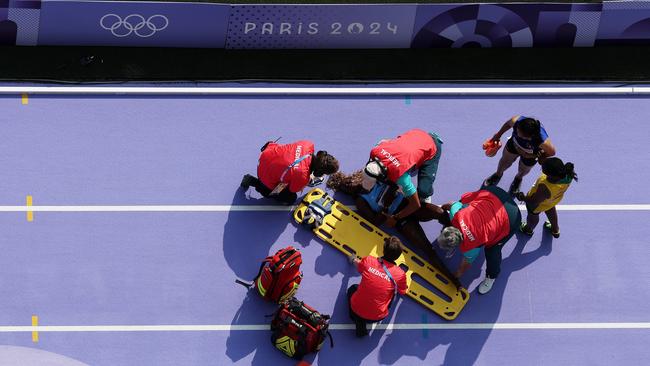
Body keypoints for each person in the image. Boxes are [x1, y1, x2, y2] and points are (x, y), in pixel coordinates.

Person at [327, 171, 460, 287]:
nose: (359, 185)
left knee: (439, 212)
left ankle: (453, 232)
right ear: (351, 192)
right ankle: (452, 279)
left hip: (410, 205)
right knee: (427, 249)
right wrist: (386, 206)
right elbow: (374, 221)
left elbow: (393, 180)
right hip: (401, 220)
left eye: (356, 182)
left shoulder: (368, 174)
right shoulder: (360, 201)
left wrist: (392, 189)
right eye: (353, 188)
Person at [435, 185, 521, 294]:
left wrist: (457, 275)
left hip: (511, 217)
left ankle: (491, 277)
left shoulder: (471, 248)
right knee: (463, 202)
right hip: (494, 192)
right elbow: (452, 204)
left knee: (492, 250)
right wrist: (442, 208)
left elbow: (465, 264)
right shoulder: (455, 214)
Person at [361, 128, 444, 227]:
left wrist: (396, 218)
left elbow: (415, 205)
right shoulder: (375, 150)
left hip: (431, 145)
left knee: (423, 191)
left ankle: (433, 143)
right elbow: (385, 142)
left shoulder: (401, 177)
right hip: (415, 134)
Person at [241, 140, 339, 204]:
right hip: (263, 173)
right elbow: (292, 189)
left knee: (288, 170)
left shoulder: (307, 144)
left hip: (266, 153)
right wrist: (306, 180)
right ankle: (254, 182)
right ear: (319, 172)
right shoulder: (302, 177)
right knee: (290, 198)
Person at [347, 236, 408, 337]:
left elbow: (358, 264)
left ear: (383, 250)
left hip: (354, 310)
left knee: (353, 288)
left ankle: (358, 319)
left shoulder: (369, 261)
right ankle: (362, 319)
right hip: (376, 317)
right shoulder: (400, 274)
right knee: (393, 292)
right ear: (398, 256)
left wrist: (353, 259)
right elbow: (402, 291)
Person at [483, 116, 556, 194]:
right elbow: (508, 124)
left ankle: (518, 179)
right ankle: (498, 174)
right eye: (517, 130)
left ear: (529, 137)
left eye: (520, 133)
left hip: (530, 154)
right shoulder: (516, 121)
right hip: (514, 145)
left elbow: (552, 152)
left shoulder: (542, 141)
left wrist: (532, 156)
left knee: (523, 170)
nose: (517, 132)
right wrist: (498, 135)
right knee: (504, 162)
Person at [517, 157, 578, 238]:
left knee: (533, 217)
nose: (542, 166)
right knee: (551, 211)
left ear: (549, 173)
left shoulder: (545, 187)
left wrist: (523, 198)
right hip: (553, 200)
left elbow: (534, 201)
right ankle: (555, 230)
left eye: (543, 167)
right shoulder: (568, 174)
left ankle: (528, 229)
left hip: (538, 205)